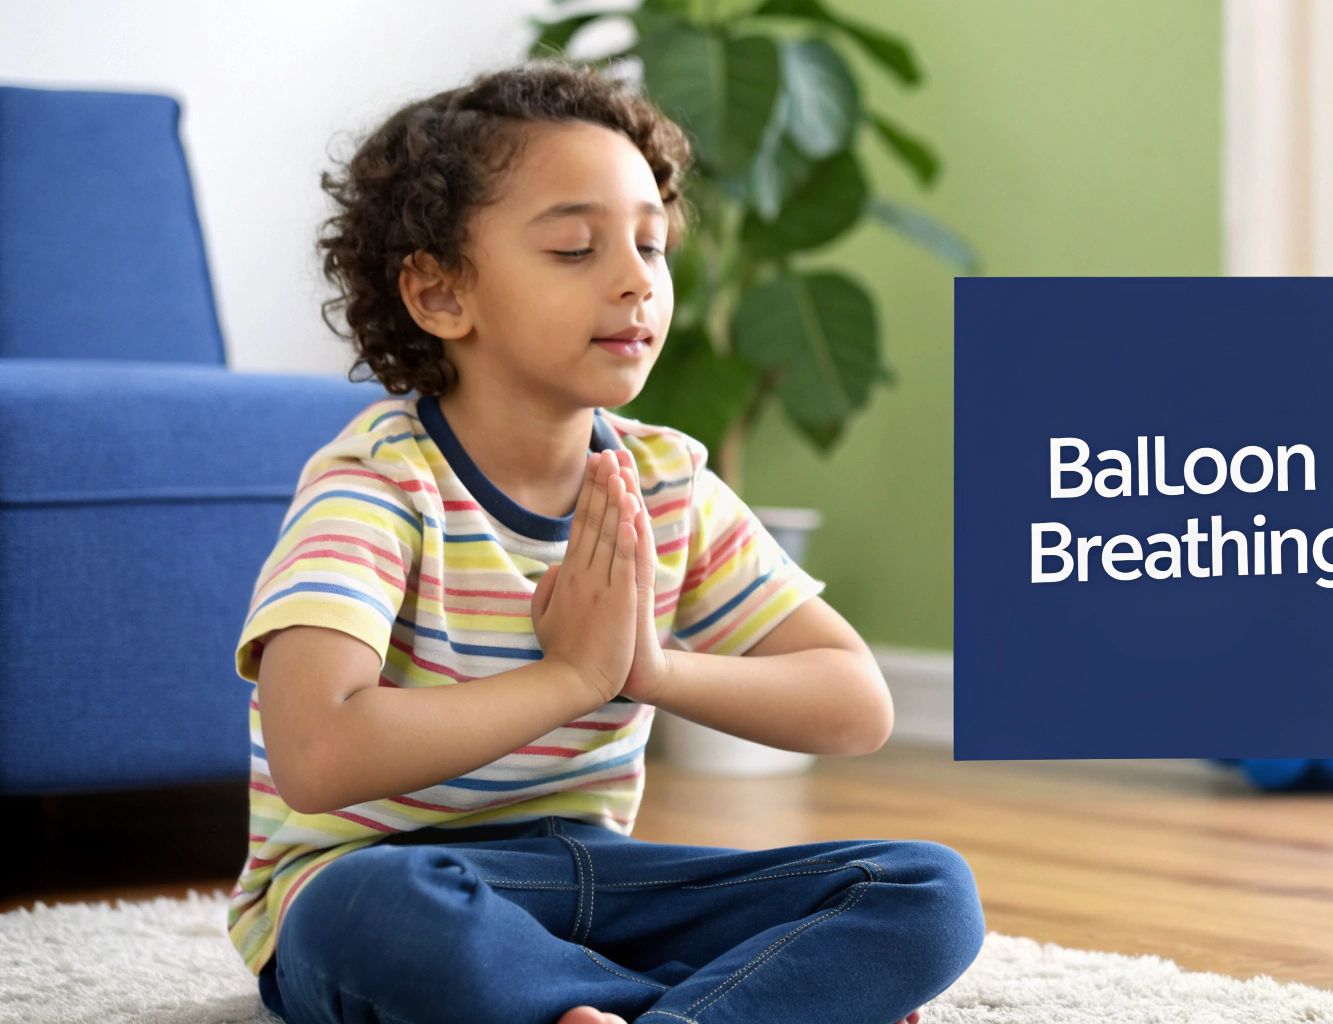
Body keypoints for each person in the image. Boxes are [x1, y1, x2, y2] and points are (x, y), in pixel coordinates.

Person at [226, 58, 985, 1024]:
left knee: (924, 890)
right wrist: (571, 681)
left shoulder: (665, 480)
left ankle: (602, 1012)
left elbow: (855, 705)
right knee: (363, 912)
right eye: (576, 250)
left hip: (594, 885)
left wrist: (648, 671)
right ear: (439, 295)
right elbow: (316, 752)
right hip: (385, 881)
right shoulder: (379, 481)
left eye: (653, 245)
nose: (636, 281)